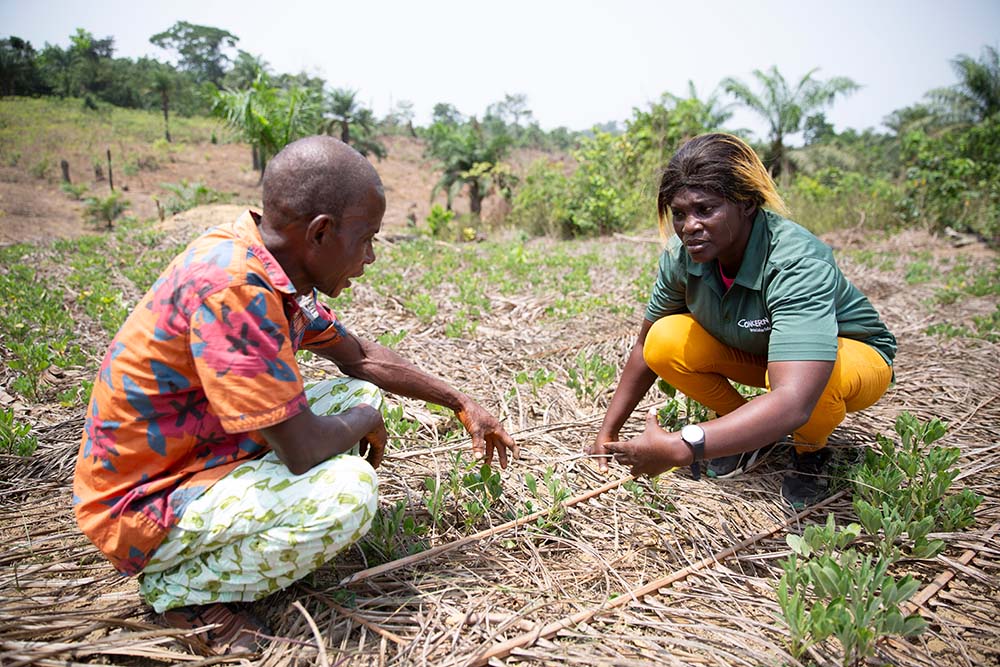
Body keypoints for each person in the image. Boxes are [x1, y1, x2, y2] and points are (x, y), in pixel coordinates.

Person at [73, 135, 518, 655]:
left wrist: (461, 402)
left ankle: (220, 549)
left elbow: (360, 358)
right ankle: (181, 593)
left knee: (355, 390)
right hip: (144, 504)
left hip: (199, 457)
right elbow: (302, 447)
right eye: (367, 238)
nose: (370, 257)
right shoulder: (237, 288)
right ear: (321, 232)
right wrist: (364, 420)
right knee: (349, 491)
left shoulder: (268, 264)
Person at [588, 133, 895, 510]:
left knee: (812, 382)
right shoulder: (683, 256)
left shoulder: (795, 261)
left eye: (705, 209)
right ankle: (749, 431)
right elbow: (645, 346)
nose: (689, 226)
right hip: (766, 356)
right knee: (664, 340)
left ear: (747, 204)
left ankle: (810, 453)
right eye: (679, 213)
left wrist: (683, 446)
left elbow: (796, 398)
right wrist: (608, 431)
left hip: (850, 360)